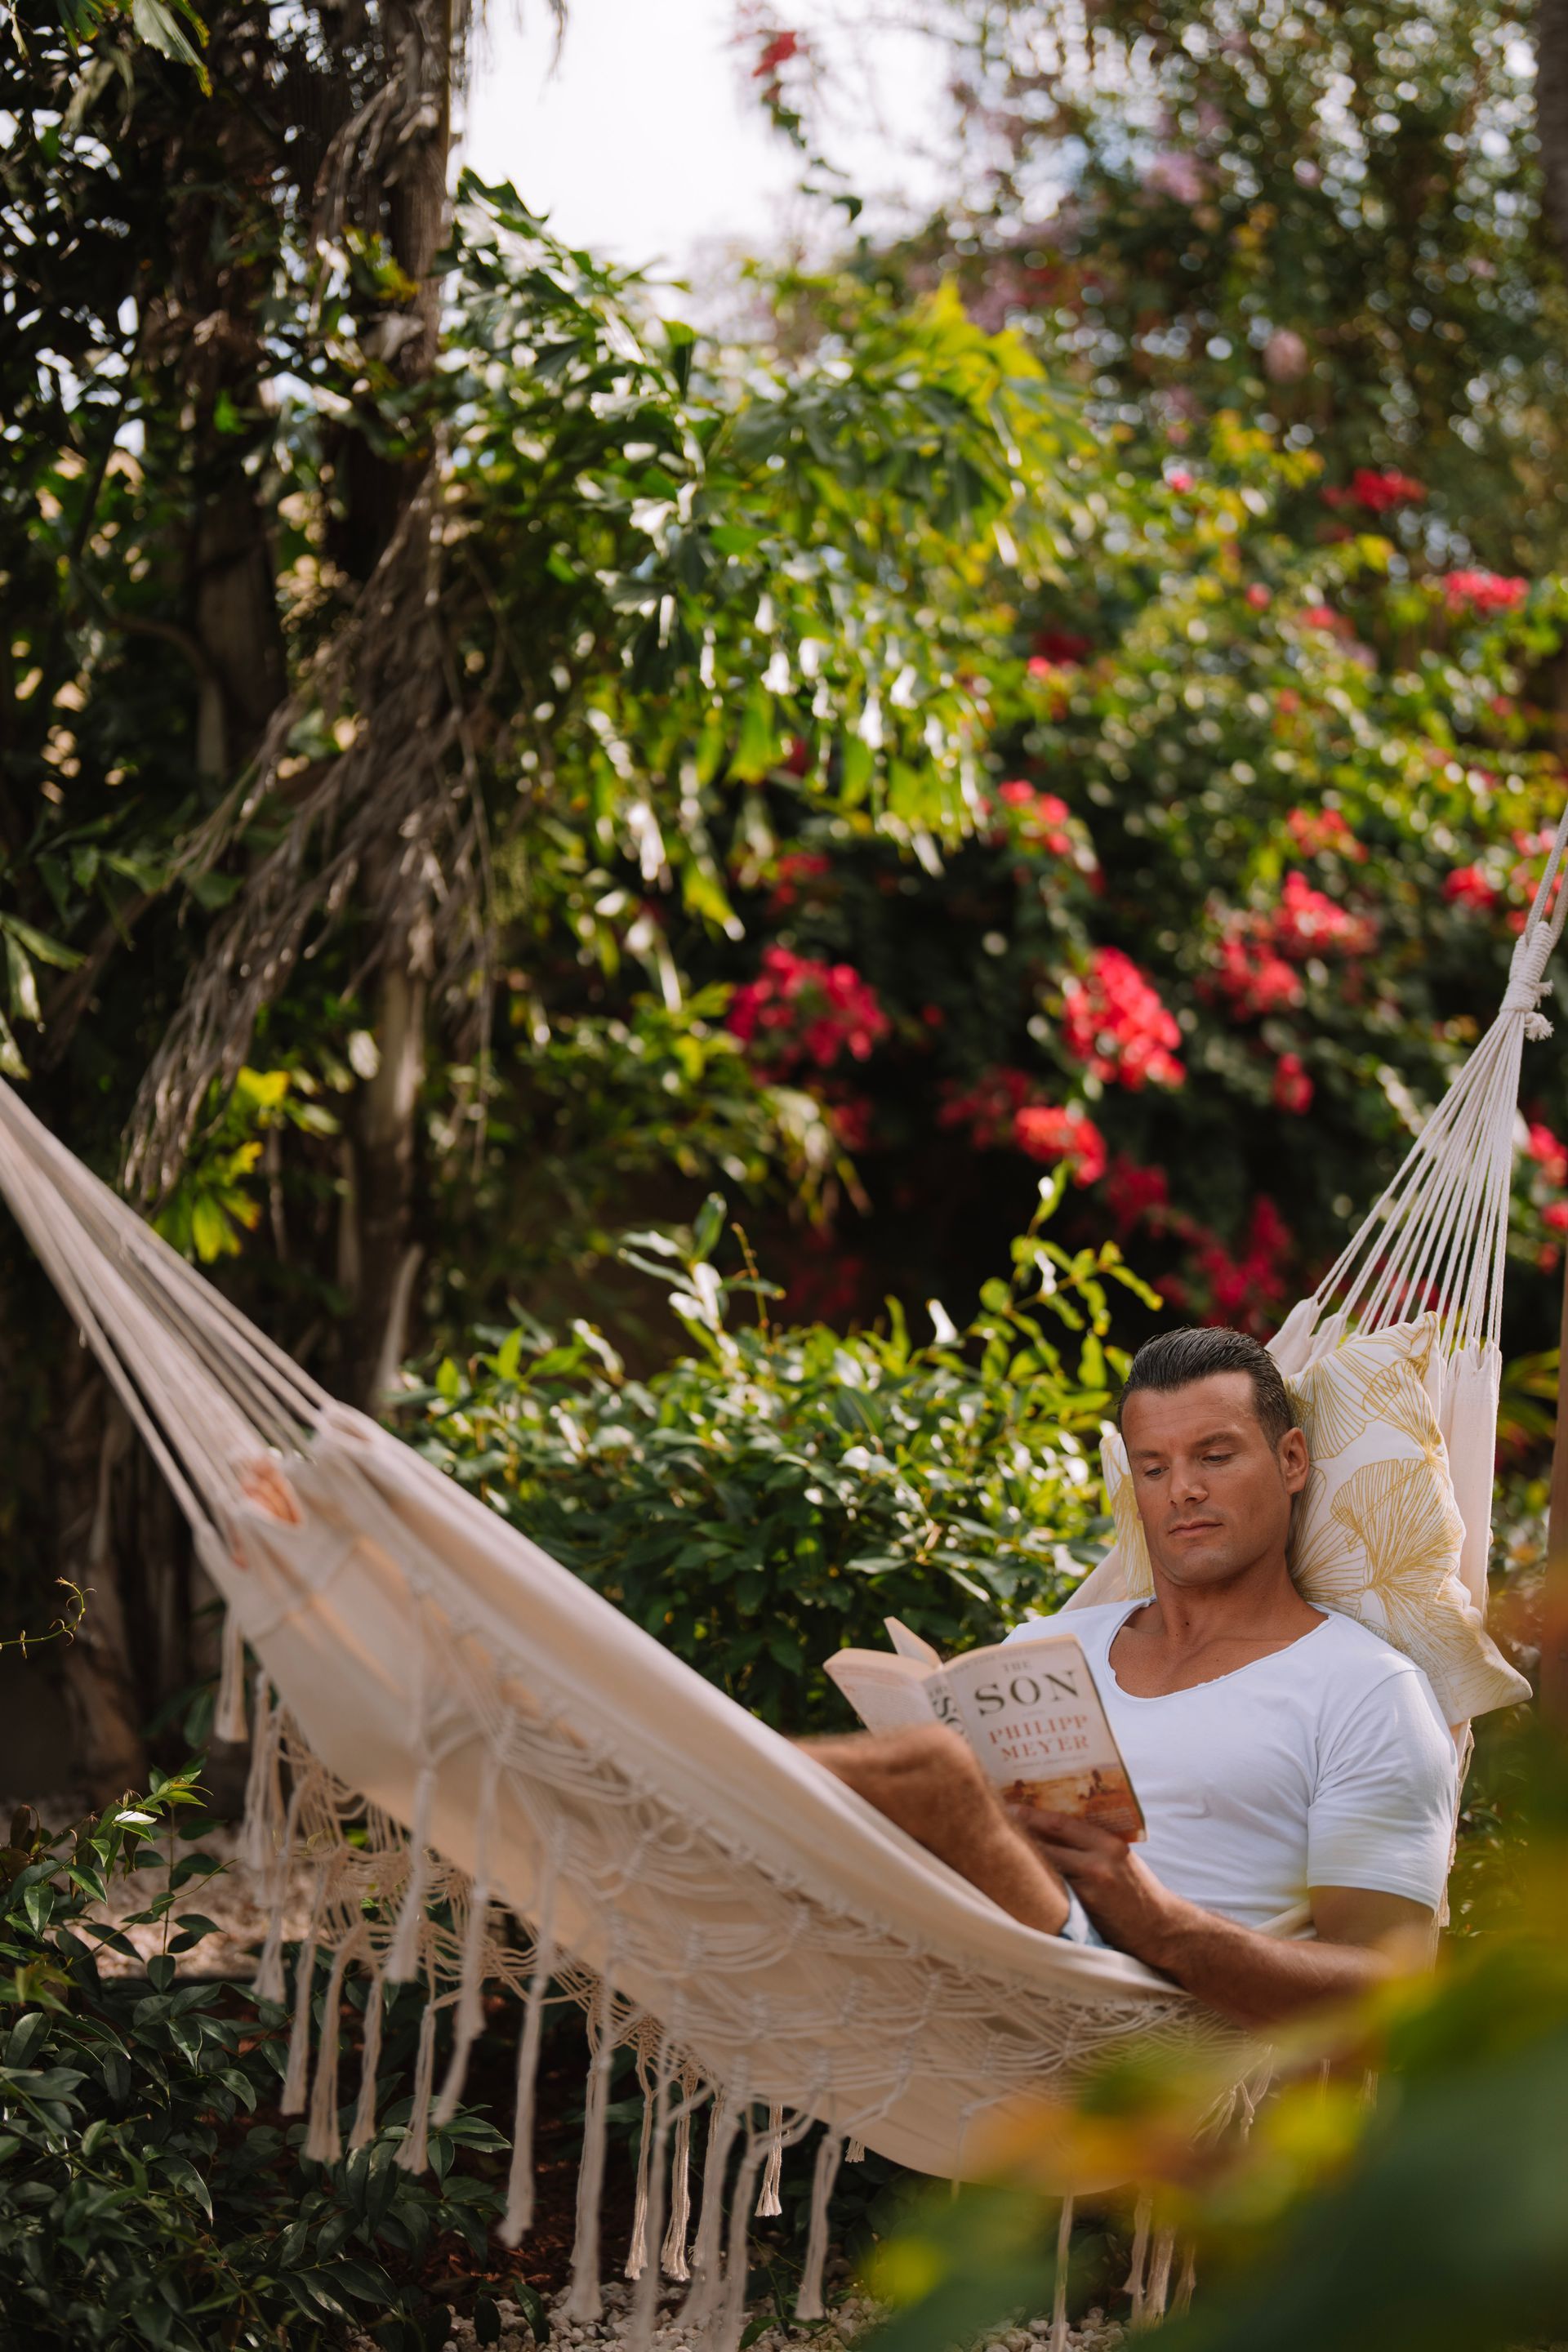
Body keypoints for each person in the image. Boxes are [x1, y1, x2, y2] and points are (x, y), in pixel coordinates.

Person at [806, 1327, 1459, 2027]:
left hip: (1143, 2022)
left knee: (931, 1769)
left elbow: (1391, 1990)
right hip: (966, 1964)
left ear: (1291, 1459)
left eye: (1215, 1456)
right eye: (1153, 1469)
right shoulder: (1043, 1647)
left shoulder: (1366, 1690)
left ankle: (677, 1765)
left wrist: (1157, 1919)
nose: (1183, 1490)